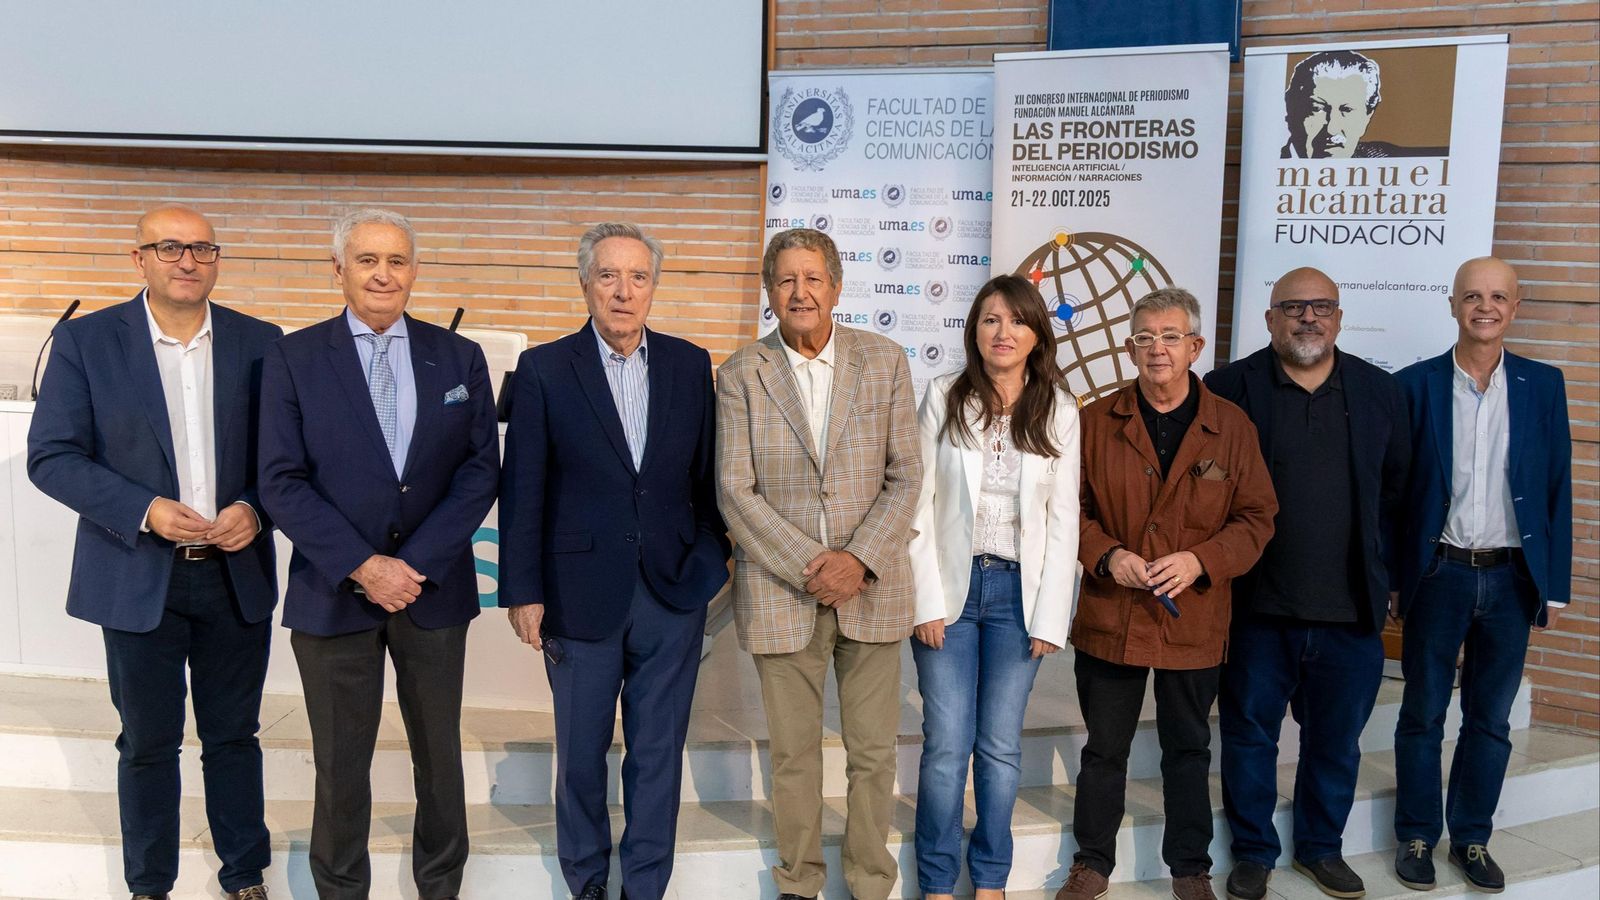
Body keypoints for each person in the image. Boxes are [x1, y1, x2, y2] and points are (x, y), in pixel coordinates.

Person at [27, 205, 281, 900]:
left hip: (235, 573)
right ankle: (150, 883)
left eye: (202, 247)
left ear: (218, 259)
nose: (188, 260)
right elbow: (51, 458)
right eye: (170, 247)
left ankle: (244, 876)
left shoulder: (262, 342)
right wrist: (144, 511)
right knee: (147, 742)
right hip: (138, 574)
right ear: (138, 258)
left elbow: (289, 459)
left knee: (234, 736)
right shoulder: (86, 343)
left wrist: (255, 510)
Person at [257, 208, 499, 900]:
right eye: (367, 260)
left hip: (433, 593)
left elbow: (481, 470)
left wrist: (412, 565)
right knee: (339, 761)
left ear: (415, 271)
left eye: (396, 261)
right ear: (338, 270)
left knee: (438, 754)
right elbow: (280, 479)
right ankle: (339, 890)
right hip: (334, 592)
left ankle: (441, 885)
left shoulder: (459, 358)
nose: (383, 274)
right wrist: (365, 566)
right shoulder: (293, 357)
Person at [498, 222, 730, 900]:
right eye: (608, 276)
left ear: (654, 286)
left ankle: (645, 888)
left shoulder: (691, 364)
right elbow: (524, 488)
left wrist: (710, 562)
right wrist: (523, 590)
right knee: (580, 759)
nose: (623, 291)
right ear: (585, 284)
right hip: (576, 595)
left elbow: (705, 477)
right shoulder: (545, 369)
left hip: (671, 595)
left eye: (638, 277)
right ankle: (588, 884)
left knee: (657, 756)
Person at [716, 227, 921, 900]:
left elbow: (906, 475)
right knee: (794, 757)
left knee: (872, 755)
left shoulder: (885, 360)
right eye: (785, 280)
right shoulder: (743, 372)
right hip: (783, 591)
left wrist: (857, 560)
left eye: (812, 278)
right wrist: (815, 564)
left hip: (873, 590)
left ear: (836, 286)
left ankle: (869, 881)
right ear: (769, 291)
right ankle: (799, 882)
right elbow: (734, 490)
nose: (799, 292)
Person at [1055, 288, 1277, 900]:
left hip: (1194, 618)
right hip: (1112, 612)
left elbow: (1257, 518)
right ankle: (1092, 863)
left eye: (1171, 337)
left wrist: (1200, 559)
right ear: (1130, 348)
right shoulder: (1095, 420)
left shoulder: (1230, 427)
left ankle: (1190, 868)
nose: (1158, 349)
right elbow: (1065, 509)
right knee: (1104, 750)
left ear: (1195, 347)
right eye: (1146, 337)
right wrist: (1108, 555)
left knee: (1188, 748)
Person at [1205, 268, 1410, 900]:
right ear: (1270, 319)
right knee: (1248, 735)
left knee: (1336, 740)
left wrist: (1396, 584)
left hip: (1350, 611)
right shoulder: (1227, 388)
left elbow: (1399, 495)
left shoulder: (1381, 392)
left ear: (1339, 317)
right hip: (1256, 606)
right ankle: (1254, 851)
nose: (1308, 318)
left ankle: (1321, 847)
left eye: (1321, 307)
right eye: (1293, 307)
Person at [1390, 257, 1571, 893]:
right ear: (1453, 305)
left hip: (1511, 577)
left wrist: (1554, 585)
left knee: (1490, 718)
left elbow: (1556, 488)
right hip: (1439, 572)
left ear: (1515, 308)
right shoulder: (1415, 385)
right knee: (1422, 712)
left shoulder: (1544, 385)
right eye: (1472, 295)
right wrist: (1393, 578)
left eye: (1498, 297)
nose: (1484, 307)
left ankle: (1471, 837)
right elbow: (1397, 492)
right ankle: (1415, 833)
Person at [906, 275, 1079, 900]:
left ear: (1037, 334)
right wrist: (924, 600)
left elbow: (1063, 520)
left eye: (1016, 321)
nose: (1002, 333)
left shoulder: (1059, 407)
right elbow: (917, 506)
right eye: (989, 320)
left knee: (1001, 748)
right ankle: (936, 881)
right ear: (974, 330)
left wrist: (1050, 617)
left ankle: (990, 879)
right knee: (947, 746)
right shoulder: (942, 395)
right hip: (949, 594)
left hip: (1018, 595)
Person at [1280, 50, 1439, 159]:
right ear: (1290, 110)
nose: (1332, 128)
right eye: (1318, 109)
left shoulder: (1384, 160)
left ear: (1367, 116)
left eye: (1347, 110)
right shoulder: (1265, 167)